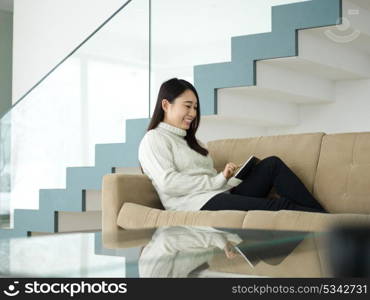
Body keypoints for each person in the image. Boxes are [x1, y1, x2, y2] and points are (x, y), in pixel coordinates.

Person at [138, 78, 327, 213]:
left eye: (195, 107)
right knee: (278, 206)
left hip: (218, 193)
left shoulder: (195, 142)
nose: (193, 113)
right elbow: (168, 183)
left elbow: (213, 182)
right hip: (193, 204)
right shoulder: (154, 139)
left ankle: (325, 218)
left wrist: (231, 178)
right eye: (187, 106)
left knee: (272, 165)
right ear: (165, 105)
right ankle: (330, 225)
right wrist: (217, 180)